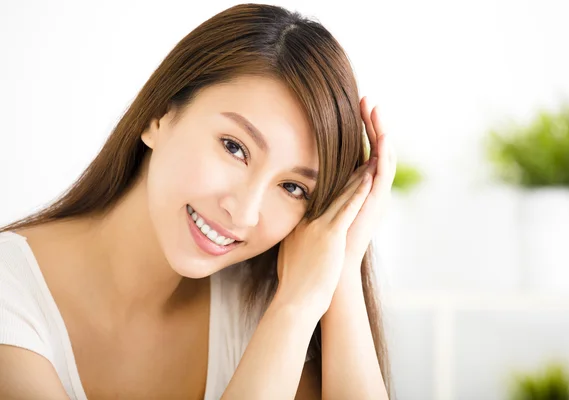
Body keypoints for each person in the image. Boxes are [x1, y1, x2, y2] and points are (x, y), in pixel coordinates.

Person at [0, 3, 395, 399]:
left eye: (293, 188)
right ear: (159, 116)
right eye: (234, 147)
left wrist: (338, 269)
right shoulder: (11, 294)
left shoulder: (267, 309)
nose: (243, 212)